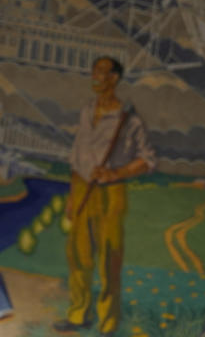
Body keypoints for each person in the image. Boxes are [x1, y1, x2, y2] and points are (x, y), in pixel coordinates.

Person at [53, 57, 156, 337]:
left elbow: (147, 160)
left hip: (111, 193)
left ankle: (108, 323)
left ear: (114, 78)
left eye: (101, 72)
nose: (94, 76)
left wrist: (116, 173)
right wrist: (73, 197)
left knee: (109, 259)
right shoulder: (87, 110)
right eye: (94, 70)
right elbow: (78, 155)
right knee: (77, 255)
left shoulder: (129, 119)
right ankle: (78, 315)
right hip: (83, 189)